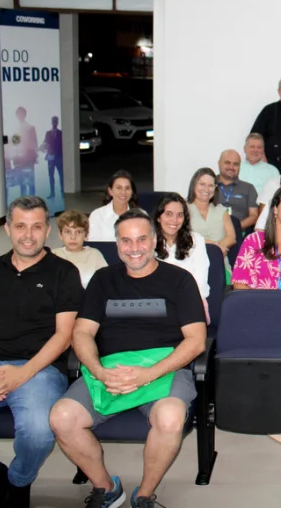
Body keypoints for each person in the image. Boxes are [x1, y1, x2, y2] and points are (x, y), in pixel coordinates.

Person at [49, 210, 207, 508]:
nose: (134, 248)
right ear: (117, 244)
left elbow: (196, 341)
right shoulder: (103, 279)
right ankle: (107, 488)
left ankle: (144, 495)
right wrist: (97, 370)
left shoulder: (179, 281)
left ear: (155, 240)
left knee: (171, 418)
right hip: (109, 369)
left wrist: (148, 374)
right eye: (126, 240)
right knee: (62, 418)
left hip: (164, 370)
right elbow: (81, 333)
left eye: (141, 239)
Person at [0, 196, 82, 508]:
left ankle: (18, 482)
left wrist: (22, 374)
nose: (28, 234)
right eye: (20, 226)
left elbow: (64, 335)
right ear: (8, 229)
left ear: (48, 230)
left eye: (36, 226)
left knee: (39, 434)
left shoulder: (63, 272)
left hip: (39, 372)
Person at [153, 193, 211, 323]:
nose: (174, 220)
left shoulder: (196, 240)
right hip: (157, 305)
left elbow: (200, 284)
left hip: (191, 304)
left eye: (180, 215)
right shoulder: (148, 241)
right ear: (158, 217)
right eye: (168, 214)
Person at [187, 167, 236, 258]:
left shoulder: (221, 210)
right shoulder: (183, 209)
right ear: (194, 185)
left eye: (211, 185)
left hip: (218, 260)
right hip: (191, 260)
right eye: (202, 184)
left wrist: (216, 252)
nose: (206, 189)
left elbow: (231, 237)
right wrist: (214, 247)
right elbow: (185, 238)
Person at [53, 210, 108, 288]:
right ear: (60, 235)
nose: (73, 237)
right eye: (68, 232)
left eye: (78, 232)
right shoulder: (53, 254)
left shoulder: (94, 254)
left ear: (86, 235)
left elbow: (106, 281)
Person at [88, 170, 139, 242]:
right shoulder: (97, 215)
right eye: (119, 188)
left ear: (132, 192)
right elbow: (94, 246)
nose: (123, 192)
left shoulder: (141, 216)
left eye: (127, 188)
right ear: (110, 191)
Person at [216, 149, 259, 231]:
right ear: (219, 163)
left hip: (239, 233)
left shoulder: (249, 188)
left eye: (235, 164)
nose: (231, 167)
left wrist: (235, 228)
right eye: (227, 163)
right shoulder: (209, 185)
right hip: (212, 232)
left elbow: (254, 216)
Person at [238, 133, 280, 197]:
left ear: (263, 150)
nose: (255, 150)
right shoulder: (235, 168)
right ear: (245, 149)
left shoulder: (273, 171)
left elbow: (277, 195)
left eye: (259, 147)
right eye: (252, 147)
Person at [12, 106, 39, 197]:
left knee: (30, 181)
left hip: (28, 157)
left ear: (25, 115)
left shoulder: (30, 128)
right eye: (18, 114)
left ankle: (33, 202)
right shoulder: (16, 129)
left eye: (21, 113)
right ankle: (23, 202)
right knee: (21, 182)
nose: (20, 116)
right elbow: (15, 144)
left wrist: (35, 156)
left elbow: (34, 143)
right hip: (19, 159)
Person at [41, 116, 63, 199]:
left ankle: (62, 192)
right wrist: (47, 150)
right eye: (53, 121)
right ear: (51, 122)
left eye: (56, 121)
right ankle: (52, 193)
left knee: (61, 175)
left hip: (59, 157)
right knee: (51, 175)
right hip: (51, 157)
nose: (54, 123)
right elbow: (45, 143)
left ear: (57, 122)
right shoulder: (48, 133)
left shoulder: (61, 133)